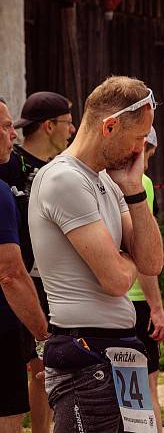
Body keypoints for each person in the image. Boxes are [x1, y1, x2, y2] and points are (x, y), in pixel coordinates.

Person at [29, 77, 164, 433]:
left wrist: (134, 190)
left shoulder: (109, 180)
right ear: (110, 126)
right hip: (85, 357)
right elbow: (117, 280)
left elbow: (152, 262)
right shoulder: (64, 179)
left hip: (119, 352)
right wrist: (126, 257)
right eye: (138, 138)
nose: (141, 150)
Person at [0, 91, 75, 433]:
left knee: (48, 364)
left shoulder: (65, 169)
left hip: (54, 280)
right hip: (19, 280)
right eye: (68, 122)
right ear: (48, 125)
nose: (72, 129)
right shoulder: (10, 165)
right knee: (35, 363)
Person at [0, 97, 50, 433]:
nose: (13, 135)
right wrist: (44, 336)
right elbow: (11, 274)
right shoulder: (1, 194)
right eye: (5, 127)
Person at [127, 127, 164, 433]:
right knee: (146, 389)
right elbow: (145, 257)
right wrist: (157, 309)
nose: (146, 165)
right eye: (148, 155)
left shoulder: (94, 179)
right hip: (136, 300)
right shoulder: (140, 183)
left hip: (106, 303)